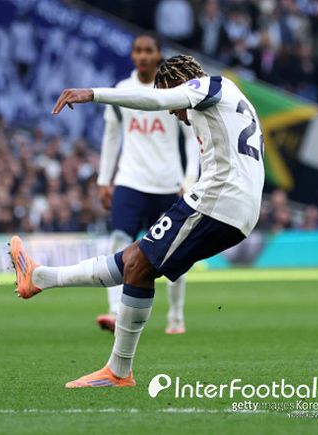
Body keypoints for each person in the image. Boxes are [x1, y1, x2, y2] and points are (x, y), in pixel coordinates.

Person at [10, 55, 265, 388]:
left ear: (180, 84)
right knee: (134, 260)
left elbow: (156, 101)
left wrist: (93, 94)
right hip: (235, 204)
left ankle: (118, 371)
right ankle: (40, 278)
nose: (173, 113)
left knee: (139, 265)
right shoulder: (229, 93)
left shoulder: (205, 86)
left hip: (219, 201)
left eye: (171, 98)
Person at [96, 35, 199, 335]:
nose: (142, 56)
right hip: (130, 181)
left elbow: (191, 136)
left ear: (158, 55)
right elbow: (111, 136)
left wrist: (190, 178)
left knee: (175, 253)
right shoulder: (121, 90)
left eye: (148, 51)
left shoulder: (172, 90)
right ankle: (115, 312)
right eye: (138, 50)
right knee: (119, 242)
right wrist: (104, 179)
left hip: (168, 184)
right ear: (132, 55)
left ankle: (176, 316)